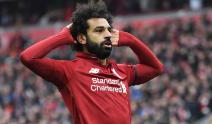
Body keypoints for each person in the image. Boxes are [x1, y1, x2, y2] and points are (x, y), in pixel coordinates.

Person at [20, 0, 164, 123]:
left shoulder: (122, 71)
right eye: (99, 30)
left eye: (109, 30)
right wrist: (63, 37)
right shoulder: (69, 71)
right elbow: (28, 57)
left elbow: (156, 68)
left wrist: (131, 41)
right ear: (82, 38)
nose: (108, 34)